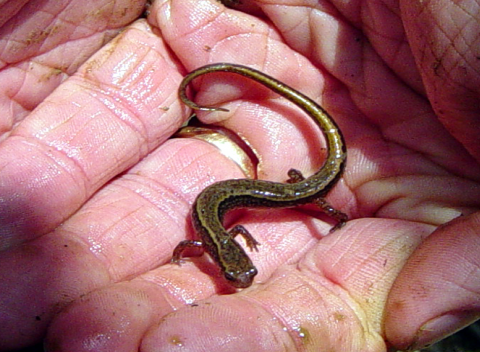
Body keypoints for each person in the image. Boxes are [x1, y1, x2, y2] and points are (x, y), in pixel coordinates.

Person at [0, 0, 479, 351]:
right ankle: (315, 194)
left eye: (238, 271)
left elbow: (206, 239)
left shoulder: (209, 240)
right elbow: (216, 235)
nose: (239, 275)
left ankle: (322, 200)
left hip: (293, 189)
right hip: (274, 191)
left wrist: (302, 207)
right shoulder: (211, 241)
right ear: (219, 257)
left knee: (307, 192)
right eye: (238, 272)